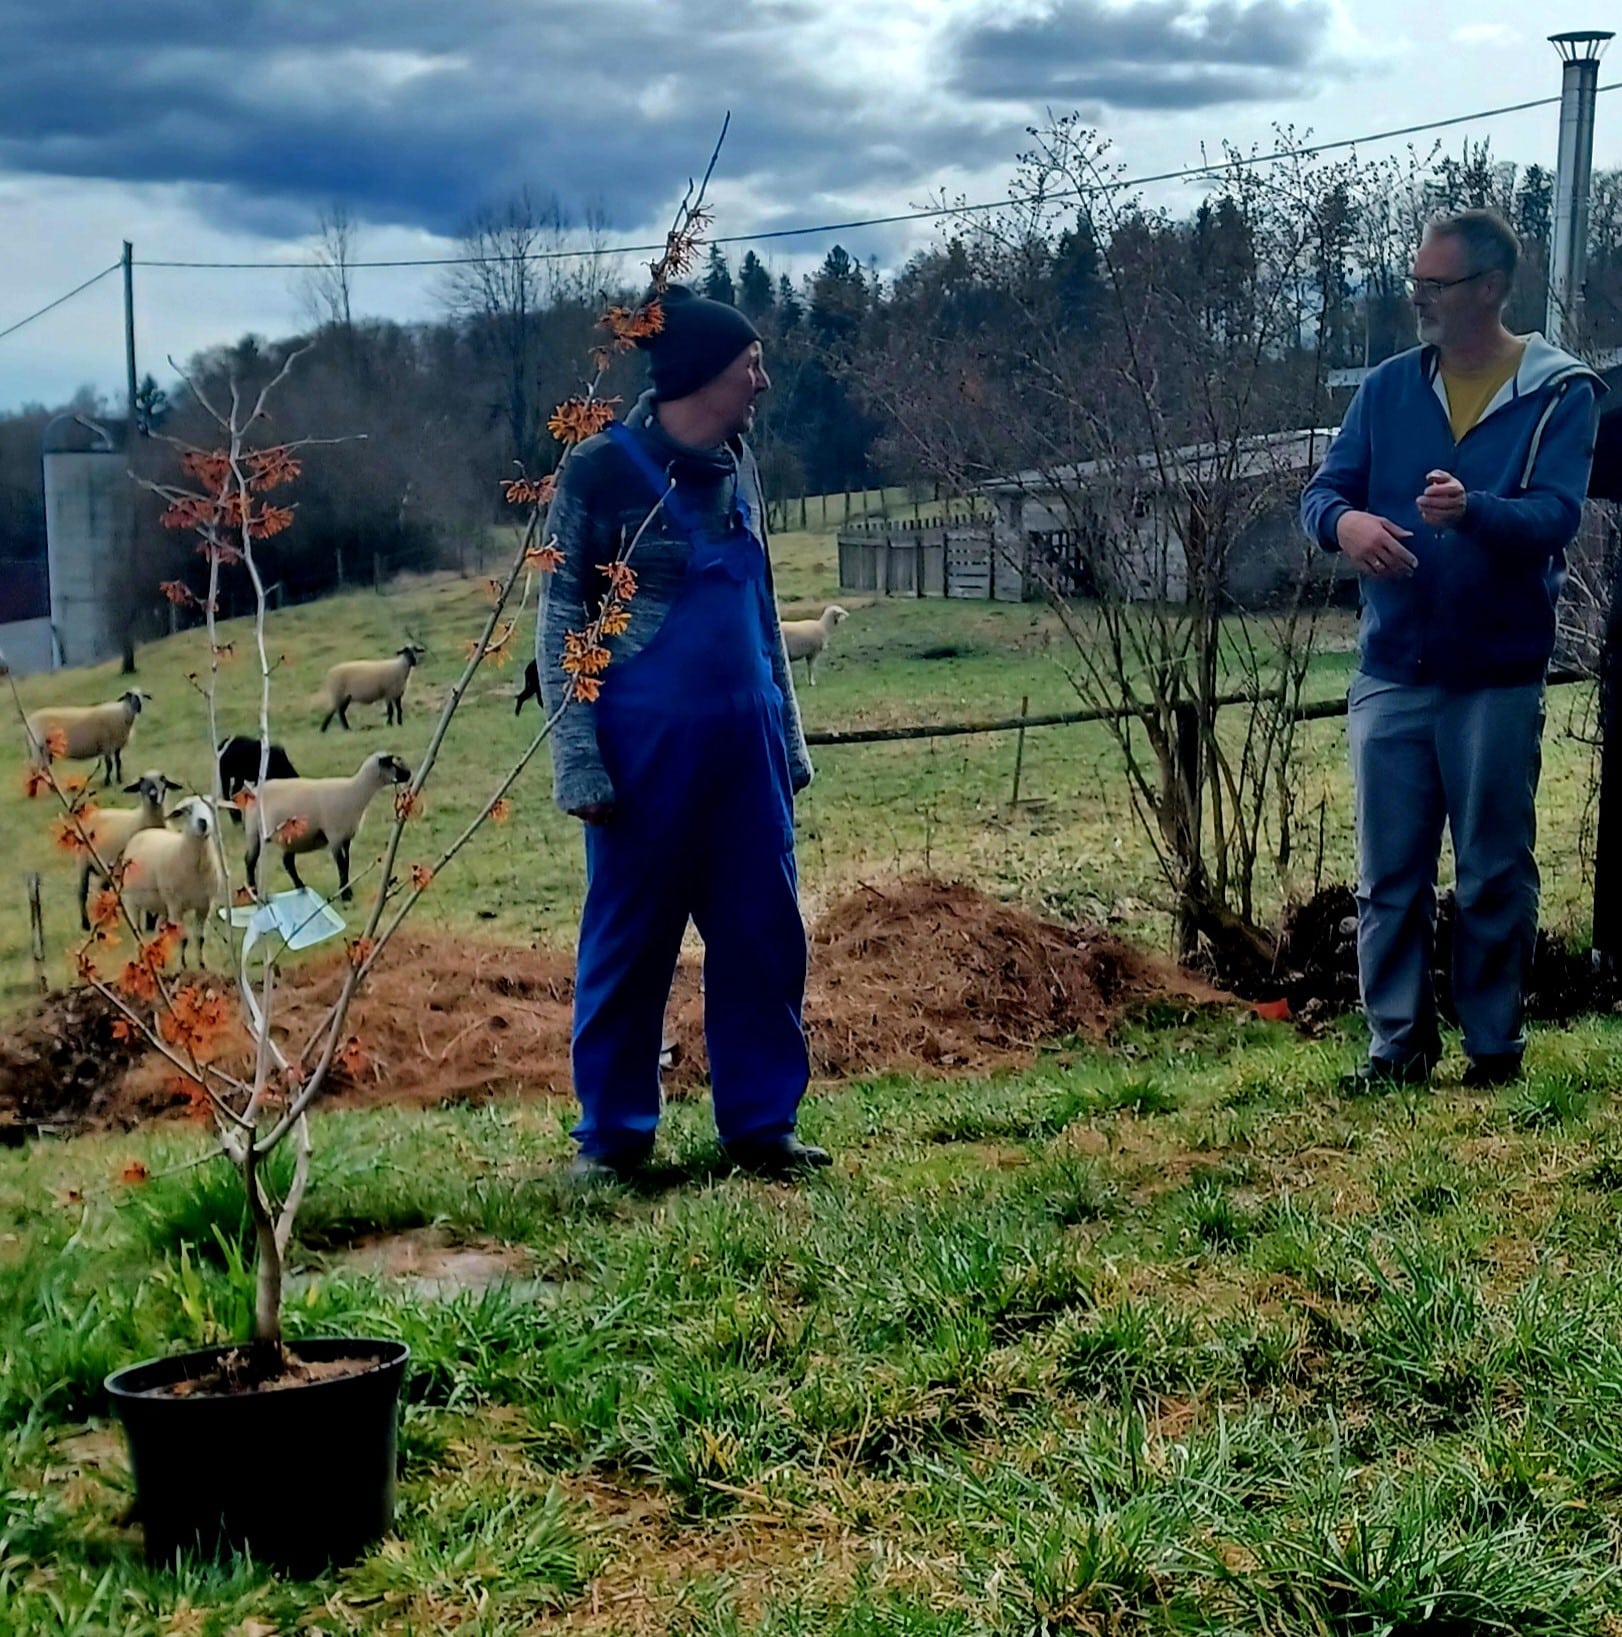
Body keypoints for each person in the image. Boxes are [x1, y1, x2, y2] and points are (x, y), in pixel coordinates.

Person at [1301, 208, 1602, 1088]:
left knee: (1492, 873)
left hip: (1495, 678)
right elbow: (1322, 493)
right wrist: (1346, 524)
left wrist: (1475, 510)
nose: (1419, 299)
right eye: (1417, 283)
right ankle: (1396, 1050)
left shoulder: (1560, 392)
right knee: (1386, 878)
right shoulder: (1389, 389)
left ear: (1492, 288)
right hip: (1392, 670)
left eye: (1436, 285)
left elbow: (1558, 516)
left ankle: (1494, 1051)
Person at [537, 285, 829, 1180]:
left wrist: (790, 741)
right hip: (642, 765)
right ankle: (616, 1139)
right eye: (752, 367)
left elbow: (767, 606)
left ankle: (761, 1126)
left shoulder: (740, 468)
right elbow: (558, 627)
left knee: (763, 938)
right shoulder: (599, 473)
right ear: (704, 376)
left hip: (744, 764)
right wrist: (578, 759)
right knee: (628, 950)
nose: (764, 382)